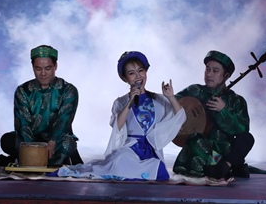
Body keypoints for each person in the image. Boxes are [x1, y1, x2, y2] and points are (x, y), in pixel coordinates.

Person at [52, 51, 186, 180]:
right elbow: (118, 126)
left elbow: (180, 116)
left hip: (152, 151)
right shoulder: (120, 102)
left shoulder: (159, 100)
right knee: (120, 161)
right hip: (129, 150)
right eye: (132, 73)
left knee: (160, 171)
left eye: (140, 71)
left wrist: (171, 97)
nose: (138, 76)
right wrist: (130, 102)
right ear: (125, 78)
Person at [0, 44, 82, 167]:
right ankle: (51, 161)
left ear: (55, 66)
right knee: (7, 141)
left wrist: (52, 142)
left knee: (68, 143)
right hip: (29, 140)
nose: (43, 73)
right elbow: (23, 124)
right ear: (33, 68)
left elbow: (64, 121)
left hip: (55, 142)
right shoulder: (23, 91)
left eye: (48, 68)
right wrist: (33, 149)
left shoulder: (68, 90)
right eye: (38, 69)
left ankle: (14, 160)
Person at [172, 50, 254, 180]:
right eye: (207, 69)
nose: (209, 74)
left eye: (215, 71)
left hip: (223, 151)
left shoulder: (236, 100)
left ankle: (226, 165)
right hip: (201, 148)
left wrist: (224, 111)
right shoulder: (194, 90)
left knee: (247, 138)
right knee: (195, 140)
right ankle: (227, 168)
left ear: (226, 76)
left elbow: (242, 130)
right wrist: (177, 123)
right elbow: (173, 104)